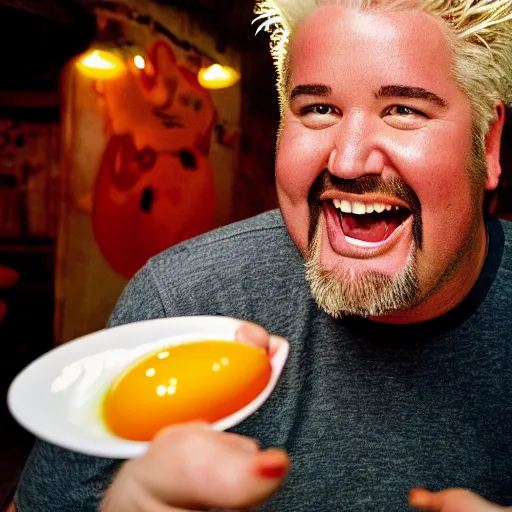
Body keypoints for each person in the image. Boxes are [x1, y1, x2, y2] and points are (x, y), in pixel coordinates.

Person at [11, 0, 512, 510]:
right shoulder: (183, 300)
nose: (347, 159)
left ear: (488, 144)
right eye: (319, 109)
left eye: (404, 111)